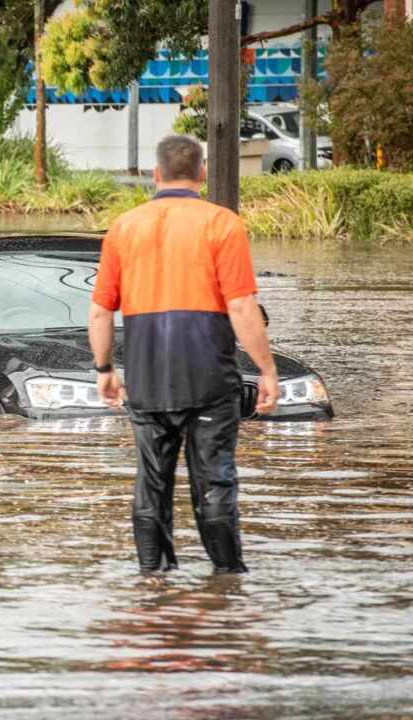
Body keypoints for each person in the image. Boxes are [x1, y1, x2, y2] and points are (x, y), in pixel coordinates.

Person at [87, 135, 280, 575]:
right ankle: (227, 581)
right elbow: (241, 306)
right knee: (215, 479)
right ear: (203, 174)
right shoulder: (223, 223)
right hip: (210, 374)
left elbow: (100, 310)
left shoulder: (124, 227)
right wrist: (267, 369)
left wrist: (105, 369)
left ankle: (153, 580)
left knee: (151, 481)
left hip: (147, 374)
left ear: (156, 175)